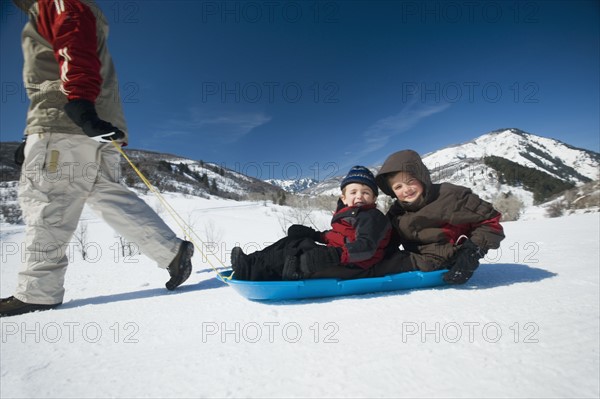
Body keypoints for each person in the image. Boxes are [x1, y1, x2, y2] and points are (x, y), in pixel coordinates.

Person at [0, 0, 193, 318]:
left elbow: (73, 45)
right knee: (105, 194)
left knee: (49, 200)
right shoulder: (74, 8)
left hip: (67, 120)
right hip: (96, 125)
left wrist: (78, 103)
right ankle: (171, 251)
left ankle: (38, 292)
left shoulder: (59, 3)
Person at [231, 166, 392, 281]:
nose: (359, 197)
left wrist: (334, 255)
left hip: (356, 265)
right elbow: (338, 236)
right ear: (344, 198)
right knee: (296, 242)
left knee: (301, 252)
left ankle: (255, 271)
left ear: (374, 198)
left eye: (366, 193)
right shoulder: (349, 214)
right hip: (341, 256)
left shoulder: (371, 216)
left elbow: (366, 246)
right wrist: (316, 235)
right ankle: (253, 260)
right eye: (353, 192)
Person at [371, 149, 505, 284]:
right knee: (376, 263)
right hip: (417, 258)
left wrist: (471, 251)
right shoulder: (397, 212)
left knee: (382, 267)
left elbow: (489, 220)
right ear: (392, 191)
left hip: (449, 258)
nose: (406, 189)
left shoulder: (450, 196)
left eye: (410, 181)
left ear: (421, 176)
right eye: (398, 187)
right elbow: (388, 239)